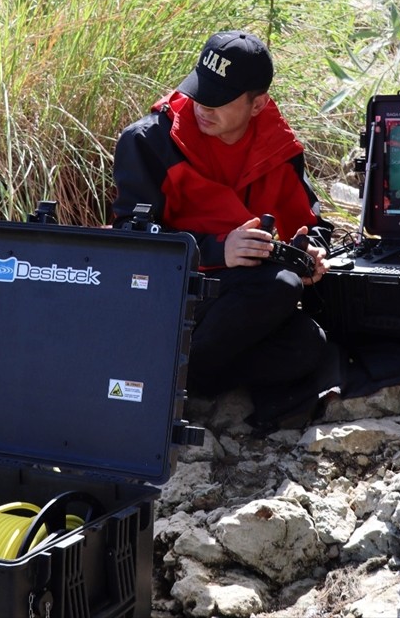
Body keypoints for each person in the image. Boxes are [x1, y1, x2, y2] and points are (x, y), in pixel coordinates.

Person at [110, 30, 339, 430]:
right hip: (172, 300)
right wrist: (218, 250)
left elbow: (311, 223)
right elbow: (132, 243)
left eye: (219, 98)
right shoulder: (148, 141)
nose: (202, 106)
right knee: (279, 287)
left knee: (309, 344)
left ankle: (198, 382)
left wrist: (311, 252)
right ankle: (166, 376)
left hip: (240, 304)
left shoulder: (279, 149)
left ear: (258, 104)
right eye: (200, 90)